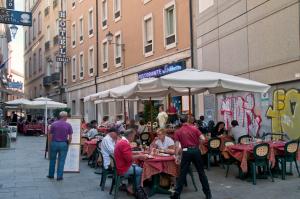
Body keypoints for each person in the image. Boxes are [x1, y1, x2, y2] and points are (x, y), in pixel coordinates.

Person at [171, 115, 212, 199]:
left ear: (180, 121)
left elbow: (177, 146)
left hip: (186, 152)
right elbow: (203, 139)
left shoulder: (178, 131)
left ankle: (177, 195)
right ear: (188, 120)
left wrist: (177, 157)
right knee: (201, 173)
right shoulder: (194, 128)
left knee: (182, 174)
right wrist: (198, 144)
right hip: (196, 151)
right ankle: (208, 194)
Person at [47, 111, 73, 181]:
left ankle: (51, 175)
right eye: (67, 116)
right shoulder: (68, 125)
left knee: (52, 159)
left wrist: (50, 144)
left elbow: (50, 135)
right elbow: (70, 137)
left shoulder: (53, 124)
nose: (67, 118)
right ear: (64, 117)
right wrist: (68, 144)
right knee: (61, 160)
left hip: (54, 143)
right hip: (63, 144)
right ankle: (59, 176)